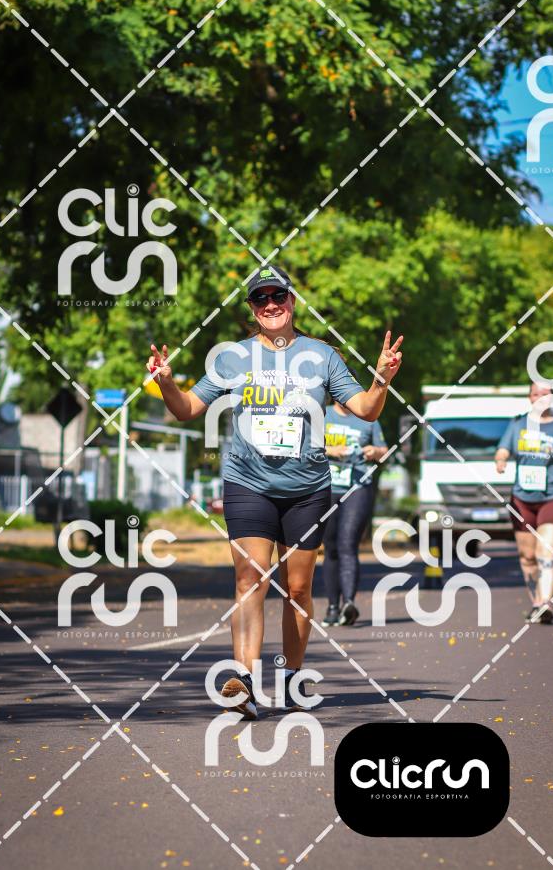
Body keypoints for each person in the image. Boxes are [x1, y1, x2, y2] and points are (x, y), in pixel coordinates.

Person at [146, 266, 403, 717]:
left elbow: (365, 409)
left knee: (298, 589)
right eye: (260, 298)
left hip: (307, 489)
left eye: (277, 296)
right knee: (250, 578)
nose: (270, 304)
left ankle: (292, 678)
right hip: (248, 482)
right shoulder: (232, 357)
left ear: (292, 300)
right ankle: (244, 682)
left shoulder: (321, 356)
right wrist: (167, 382)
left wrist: (381, 377)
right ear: (251, 309)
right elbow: (187, 409)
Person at [495, 383, 553, 623]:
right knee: (527, 556)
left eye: (545, 394)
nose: (540, 398)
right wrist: (501, 460)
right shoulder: (518, 424)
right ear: (530, 397)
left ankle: (545, 604)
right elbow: (503, 449)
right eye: (536, 394)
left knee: (545, 552)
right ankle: (537, 602)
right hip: (522, 499)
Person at [321, 401, 388, 627]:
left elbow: (384, 452)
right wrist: (330, 450)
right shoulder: (322, 414)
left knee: (347, 544)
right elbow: (304, 446)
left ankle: (348, 603)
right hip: (327, 487)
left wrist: (375, 452)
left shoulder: (369, 417)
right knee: (330, 547)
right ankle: (332, 607)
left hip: (357, 488)